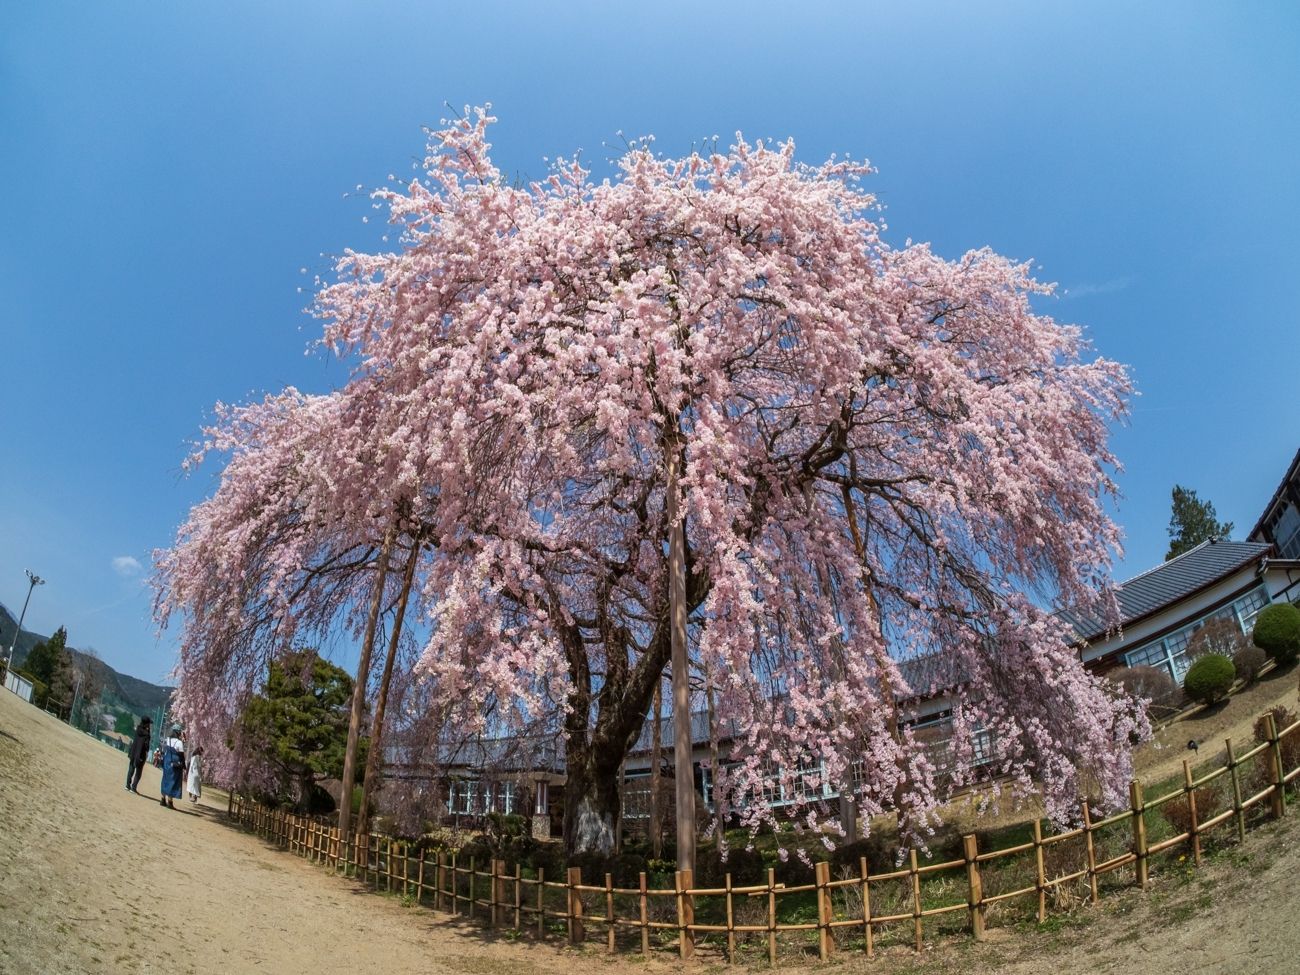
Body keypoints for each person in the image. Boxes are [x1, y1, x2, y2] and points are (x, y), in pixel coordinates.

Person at [159, 726, 185, 809]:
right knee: (173, 781)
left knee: (165, 780)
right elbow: (181, 755)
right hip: (175, 763)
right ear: (178, 732)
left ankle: (163, 799)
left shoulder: (168, 739)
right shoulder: (179, 742)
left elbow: (165, 750)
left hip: (167, 761)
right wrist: (183, 765)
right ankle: (170, 802)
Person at [125, 715, 152, 793]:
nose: (149, 725)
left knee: (131, 768)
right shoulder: (147, 734)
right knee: (139, 771)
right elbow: (146, 746)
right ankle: (133, 788)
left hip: (133, 752)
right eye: (149, 723)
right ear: (146, 724)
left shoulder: (138, 729)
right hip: (141, 754)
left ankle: (127, 785)